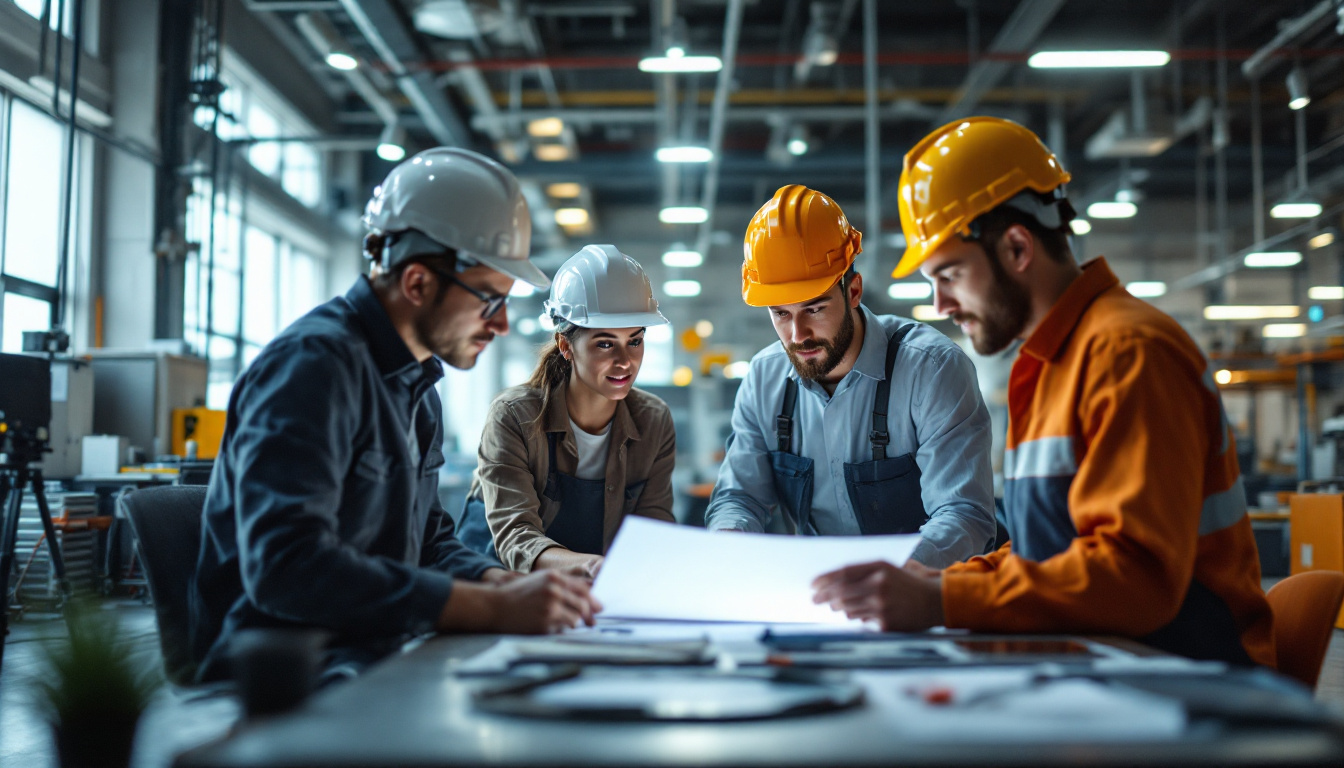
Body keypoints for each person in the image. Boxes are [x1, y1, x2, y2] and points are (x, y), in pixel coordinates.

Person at [811, 117, 1275, 667]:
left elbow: (1135, 580)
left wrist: (942, 598)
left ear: (1016, 248)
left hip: (1197, 685)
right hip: (1109, 662)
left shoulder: (1127, 352)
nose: (940, 305)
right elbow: (1048, 556)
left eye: (951, 275)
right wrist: (930, 578)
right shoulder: (1051, 362)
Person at [189, 148, 600, 684]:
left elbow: (428, 542)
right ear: (417, 283)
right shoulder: (313, 368)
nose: (500, 325)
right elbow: (287, 568)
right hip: (288, 675)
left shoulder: (417, 385)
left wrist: (498, 584)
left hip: (377, 652)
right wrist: (487, 609)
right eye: (488, 300)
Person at [704, 184, 996, 568]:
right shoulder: (764, 378)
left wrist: (892, 580)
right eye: (781, 314)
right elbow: (740, 497)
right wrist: (728, 541)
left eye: (814, 308)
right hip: (814, 600)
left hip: (923, 600)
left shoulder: (931, 369)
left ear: (853, 290)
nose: (797, 335)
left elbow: (963, 516)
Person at [459, 245, 676, 577]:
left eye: (635, 341)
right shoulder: (514, 417)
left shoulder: (653, 420)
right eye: (605, 343)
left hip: (587, 591)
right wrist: (593, 566)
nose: (625, 361)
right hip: (497, 581)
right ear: (565, 346)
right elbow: (516, 534)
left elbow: (652, 529)